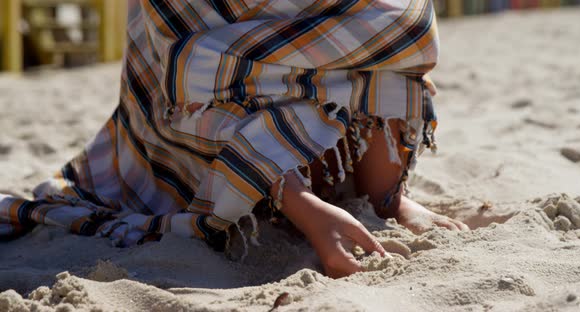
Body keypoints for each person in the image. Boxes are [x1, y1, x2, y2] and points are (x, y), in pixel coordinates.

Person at [0, 0, 467, 278]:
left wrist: (387, 197)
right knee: (197, 71)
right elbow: (182, 103)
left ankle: (385, 196)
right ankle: (293, 197)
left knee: (399, 24)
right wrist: (302, 206)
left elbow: (411, 32)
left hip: (322, 134)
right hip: (205, 151)